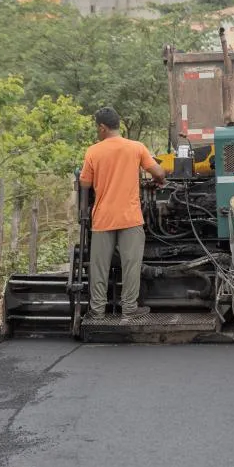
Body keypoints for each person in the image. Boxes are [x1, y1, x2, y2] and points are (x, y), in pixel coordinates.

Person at [80, 107, 166, 320]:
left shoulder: (93, 151)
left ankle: (97, 311)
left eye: (96, 128)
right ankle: (129, 308)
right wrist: (159, 181)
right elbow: (158, 172)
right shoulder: (136, 147)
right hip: (130, 217)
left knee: (99, 268)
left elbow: (85, 183)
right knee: (131, 265)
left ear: (102, 127)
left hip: (102, 218)